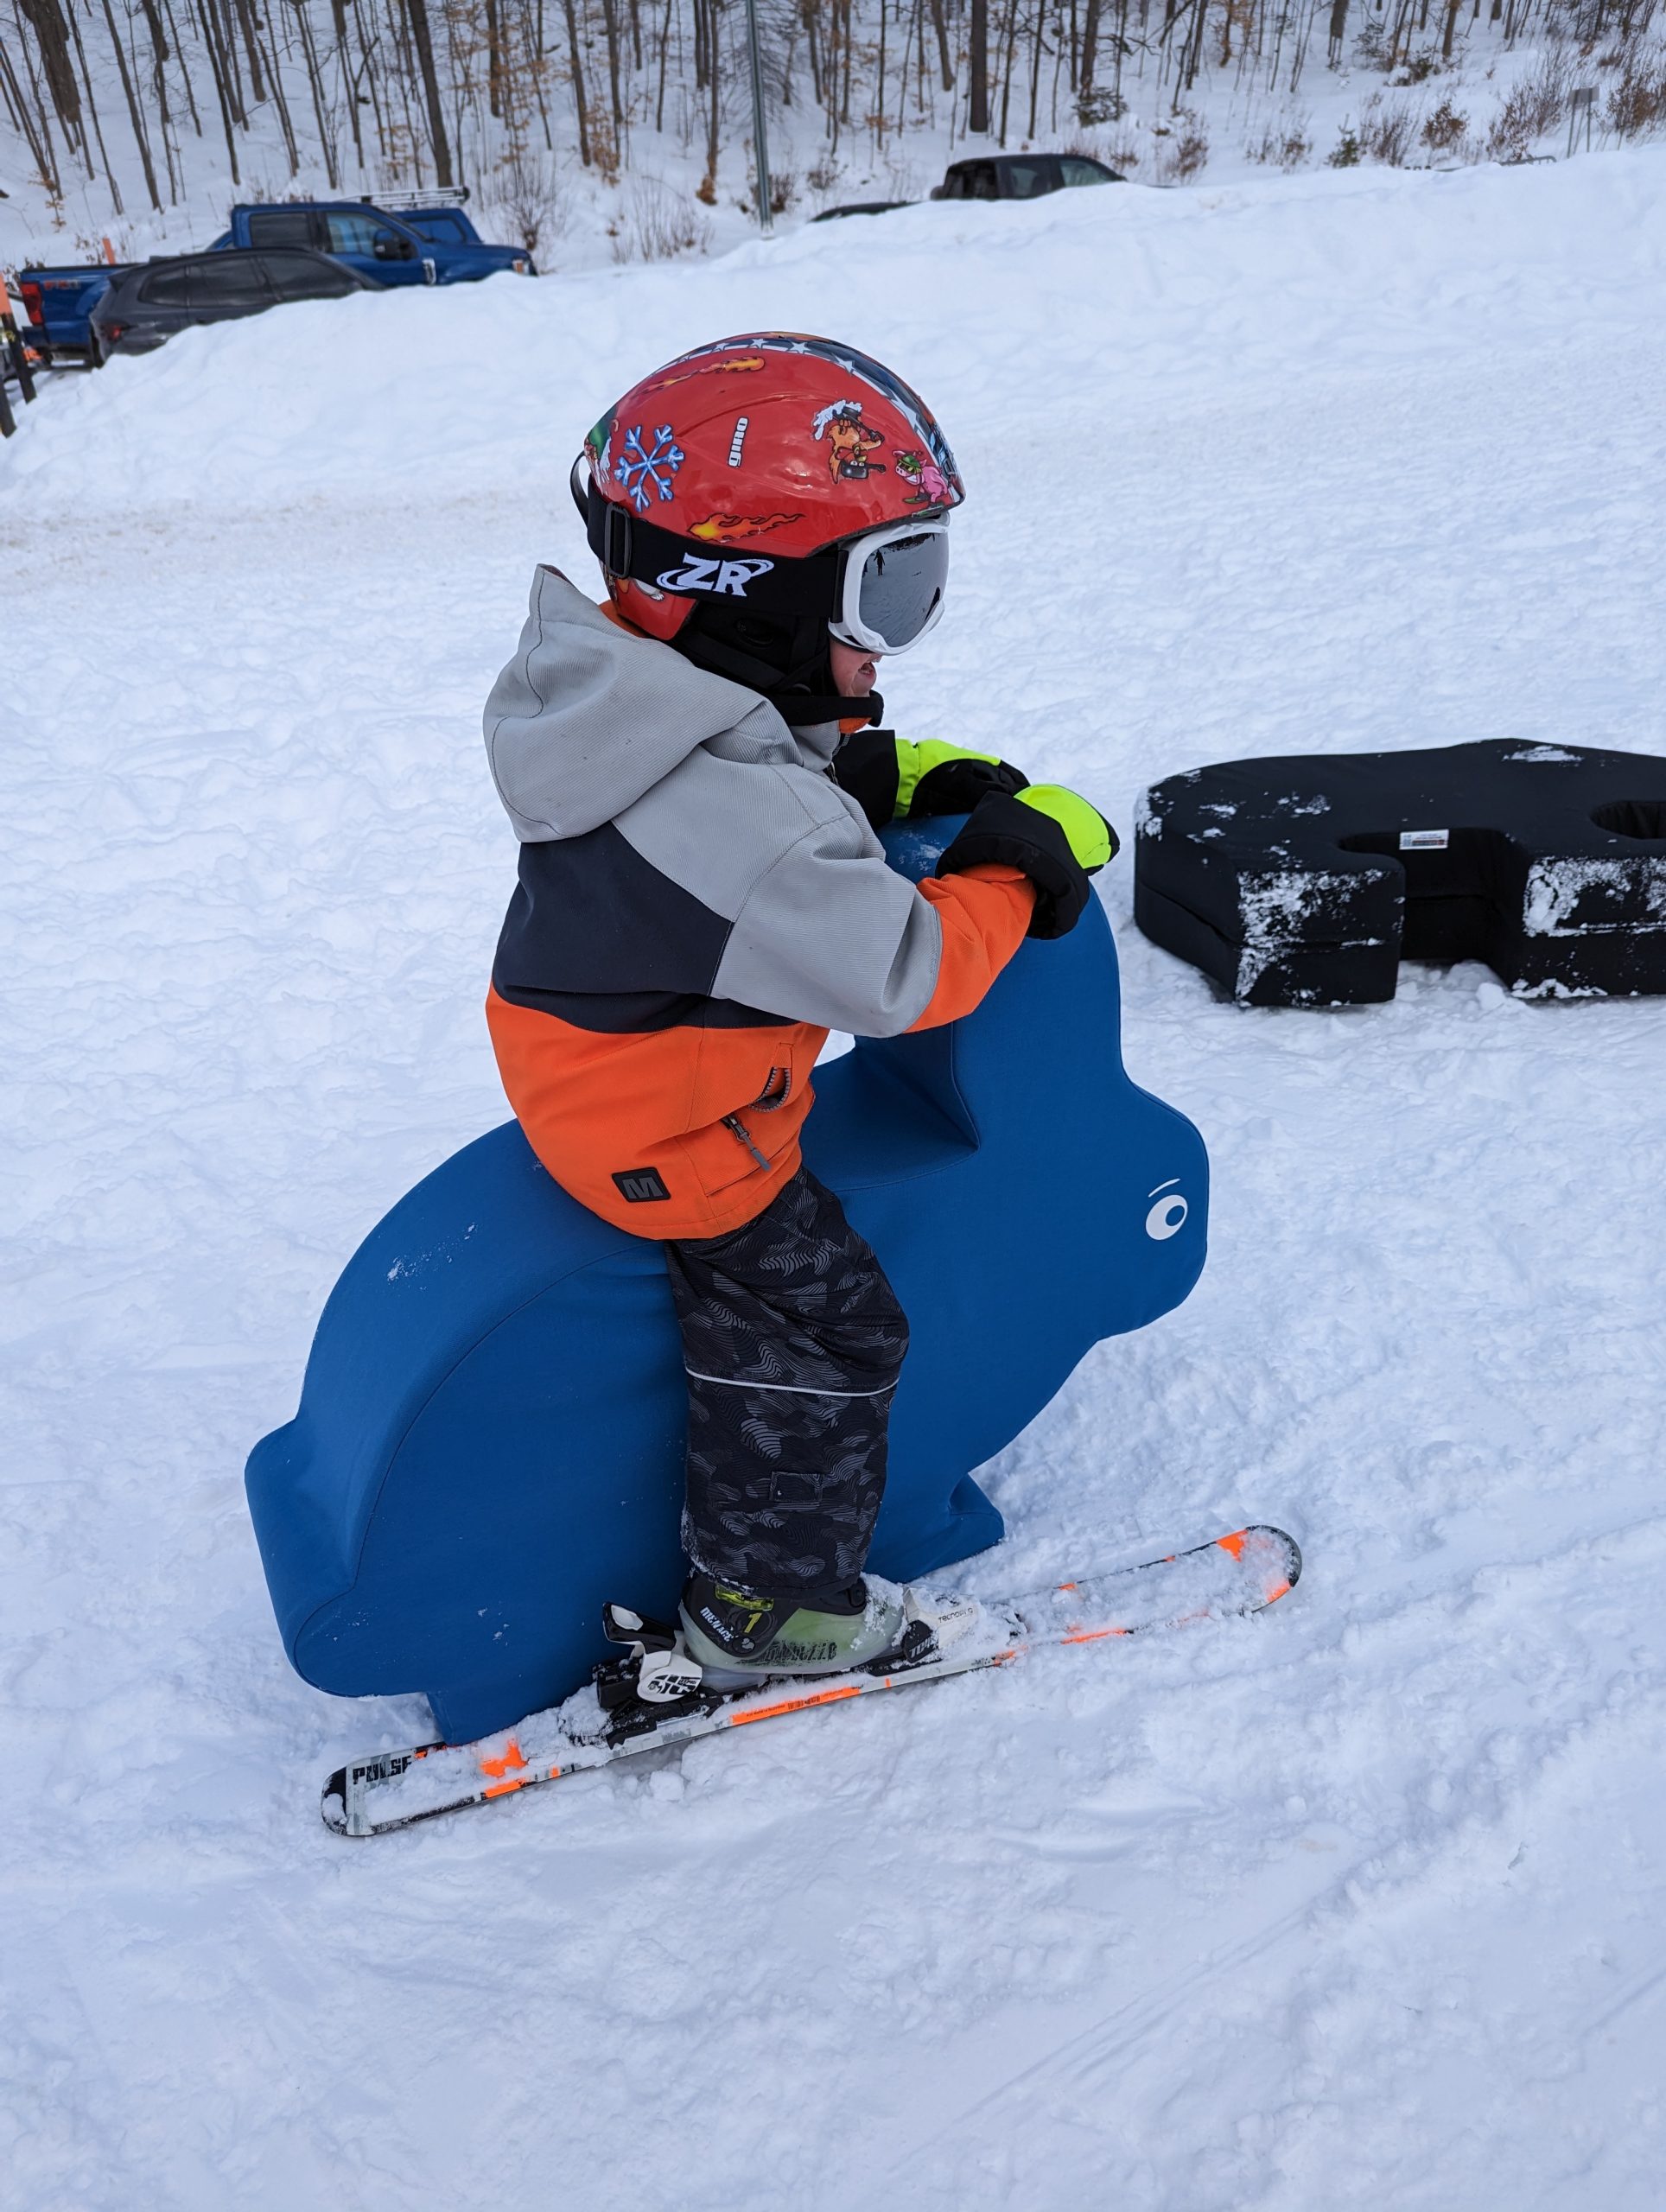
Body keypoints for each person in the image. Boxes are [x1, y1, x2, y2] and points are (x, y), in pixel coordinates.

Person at [481, 334, 1113, 1691]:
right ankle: (766, 1608)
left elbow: (755, 782)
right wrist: (1022, 866)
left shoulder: (621, 697)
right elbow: (904, 973)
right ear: (749, 596)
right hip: (677, 1133)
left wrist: (879, 773)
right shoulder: (740, 820)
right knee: (837, 1327)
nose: (893, 642)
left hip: (597, 1057)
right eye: (886, 591)